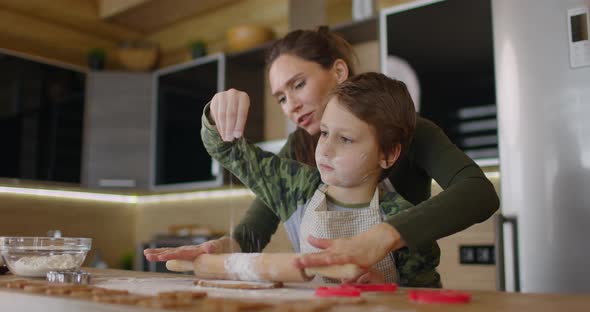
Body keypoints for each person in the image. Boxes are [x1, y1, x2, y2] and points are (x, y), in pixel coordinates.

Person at [144, 26, 499, 279]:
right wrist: (222, 249)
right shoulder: (294, 153)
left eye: (298, 84)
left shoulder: (408, 131)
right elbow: (254, 231)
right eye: (281, 97)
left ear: (338, 71)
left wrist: (380, 238)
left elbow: (478, 193)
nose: (291, 106)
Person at [201, 72, 440, 286]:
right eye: (325, 133)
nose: (325, 149)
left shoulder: (405, 223)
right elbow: (228, 151)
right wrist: (217, 113)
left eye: (345, 139)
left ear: (388, 154)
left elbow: (426, 297)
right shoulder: (297, 187)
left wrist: (388, 288)